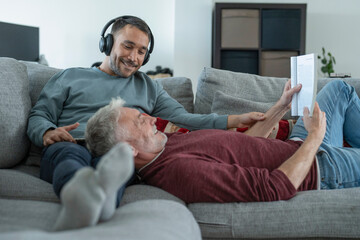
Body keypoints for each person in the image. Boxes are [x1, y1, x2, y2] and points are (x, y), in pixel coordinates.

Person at [26, 15, 264, 230]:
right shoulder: (70, 77)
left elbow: (185, 119)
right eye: (128, 46)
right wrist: (47, 132)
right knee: (69, 156)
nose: (133, 57)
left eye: (142, 51)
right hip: (72, 141)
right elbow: (39, 115)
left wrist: (235, 119)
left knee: (119, 164)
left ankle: (105, 201)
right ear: (107, 45)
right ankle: (78, 200)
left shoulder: (148, 86)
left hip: (119, 148)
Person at [85, 79, 360, 204]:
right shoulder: (179, 171)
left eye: (140, 113)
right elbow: (275, 188)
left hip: (298, 147)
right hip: (320, 168)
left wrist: (280, 107)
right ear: (128, 149)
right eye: (137, 121)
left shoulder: (165, 144)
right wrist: (314, 139)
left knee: (339, 89)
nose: (148, 117)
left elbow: (245, 147)